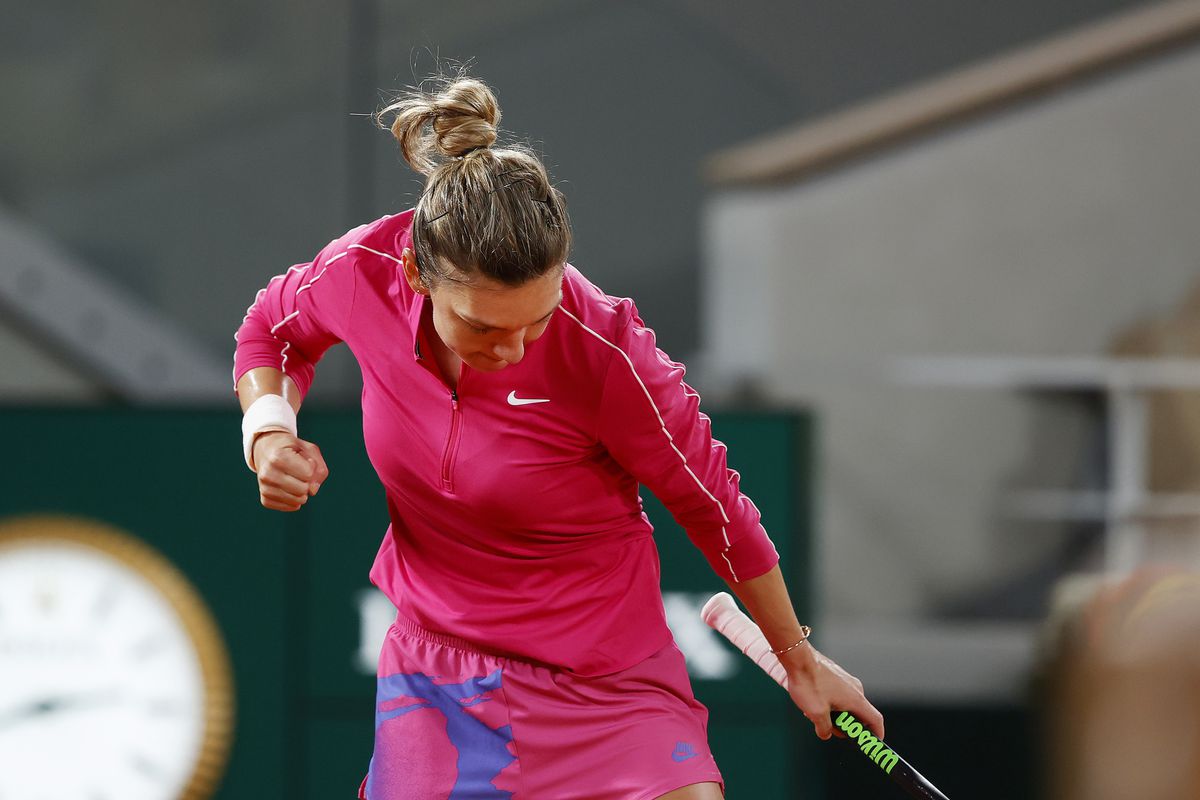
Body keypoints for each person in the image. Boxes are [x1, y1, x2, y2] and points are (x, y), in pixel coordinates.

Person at [233, 74, 882, 800]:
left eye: (534, 323)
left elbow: (716, 508)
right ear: (418, 272)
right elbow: (274, 332)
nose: (513, 349)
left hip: (608, 685)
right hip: (440, 680)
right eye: (483, 327)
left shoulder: (610, 352)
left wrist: (797, 655)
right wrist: (269, 432)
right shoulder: (366, 270)